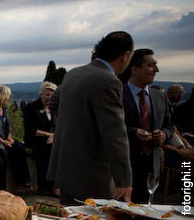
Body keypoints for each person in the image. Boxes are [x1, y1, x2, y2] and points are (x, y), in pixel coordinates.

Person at [48, 31, 134, 204]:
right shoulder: (109, 81)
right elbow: (115, 135)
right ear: (125, 56)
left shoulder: (73, 74)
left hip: (65, 168)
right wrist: (124, 180)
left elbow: (54, 106)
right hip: (92, 174)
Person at [121, 48, 173, 203]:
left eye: (155, 65)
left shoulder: (160, 97)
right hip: (126, 164)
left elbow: (169, 126)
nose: (156, 70)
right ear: (135, 69)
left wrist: (164, 135)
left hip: (152, 166)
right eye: (151, 65)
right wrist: (133, 132)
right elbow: (107, 127)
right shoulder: (118, 94)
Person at [0, 84, 31, 190]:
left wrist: (9, 137)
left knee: (20, 148)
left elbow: (7, 125)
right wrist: (3, 142)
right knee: (2, 154)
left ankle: (23, 181)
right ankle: (1, 187)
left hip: (4, 138)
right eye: (7, 96)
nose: (8, 98)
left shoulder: (3, 109)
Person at [23, 81, 59, 196]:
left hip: (52, 138)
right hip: (35, 138)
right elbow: (30, 129)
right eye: (47, 95)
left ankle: (58, 184)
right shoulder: (31, 107)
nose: (49, 97)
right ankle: (47, 186)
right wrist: (48, 135)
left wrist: (53, 135)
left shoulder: (55, 108)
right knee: (47, 149)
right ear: (41, 94)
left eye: (52, 95)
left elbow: (59, 126)